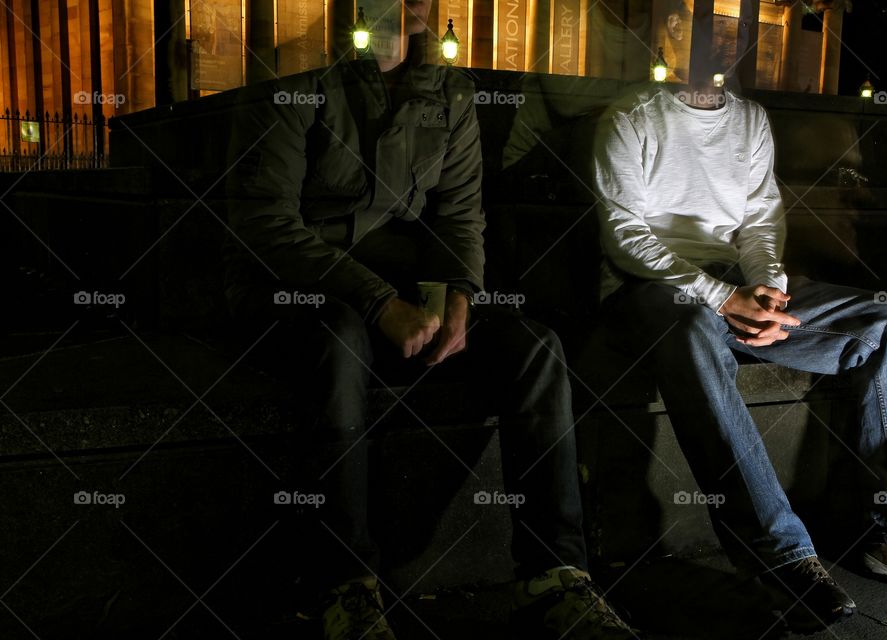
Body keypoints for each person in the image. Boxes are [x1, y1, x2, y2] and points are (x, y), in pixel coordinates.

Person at [223, 1, 635, 638]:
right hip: (302, 285)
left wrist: (460, 297)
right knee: (338, 341)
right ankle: (346, 587)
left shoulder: (448, 90)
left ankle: (555, 576)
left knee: (534, 345)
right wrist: (377, 301)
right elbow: (265, 224)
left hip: (405, 285)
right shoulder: (299, 77)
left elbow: (461, 214)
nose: (422, 7)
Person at [591, 68, 887, 631]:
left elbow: (761, 221)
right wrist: (720, 297)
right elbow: (624, 233)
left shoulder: (749, 119)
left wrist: (767, 290)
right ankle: (779, 556)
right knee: (691, 330)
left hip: (735, 286)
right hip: (654, 290)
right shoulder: (631, 115)